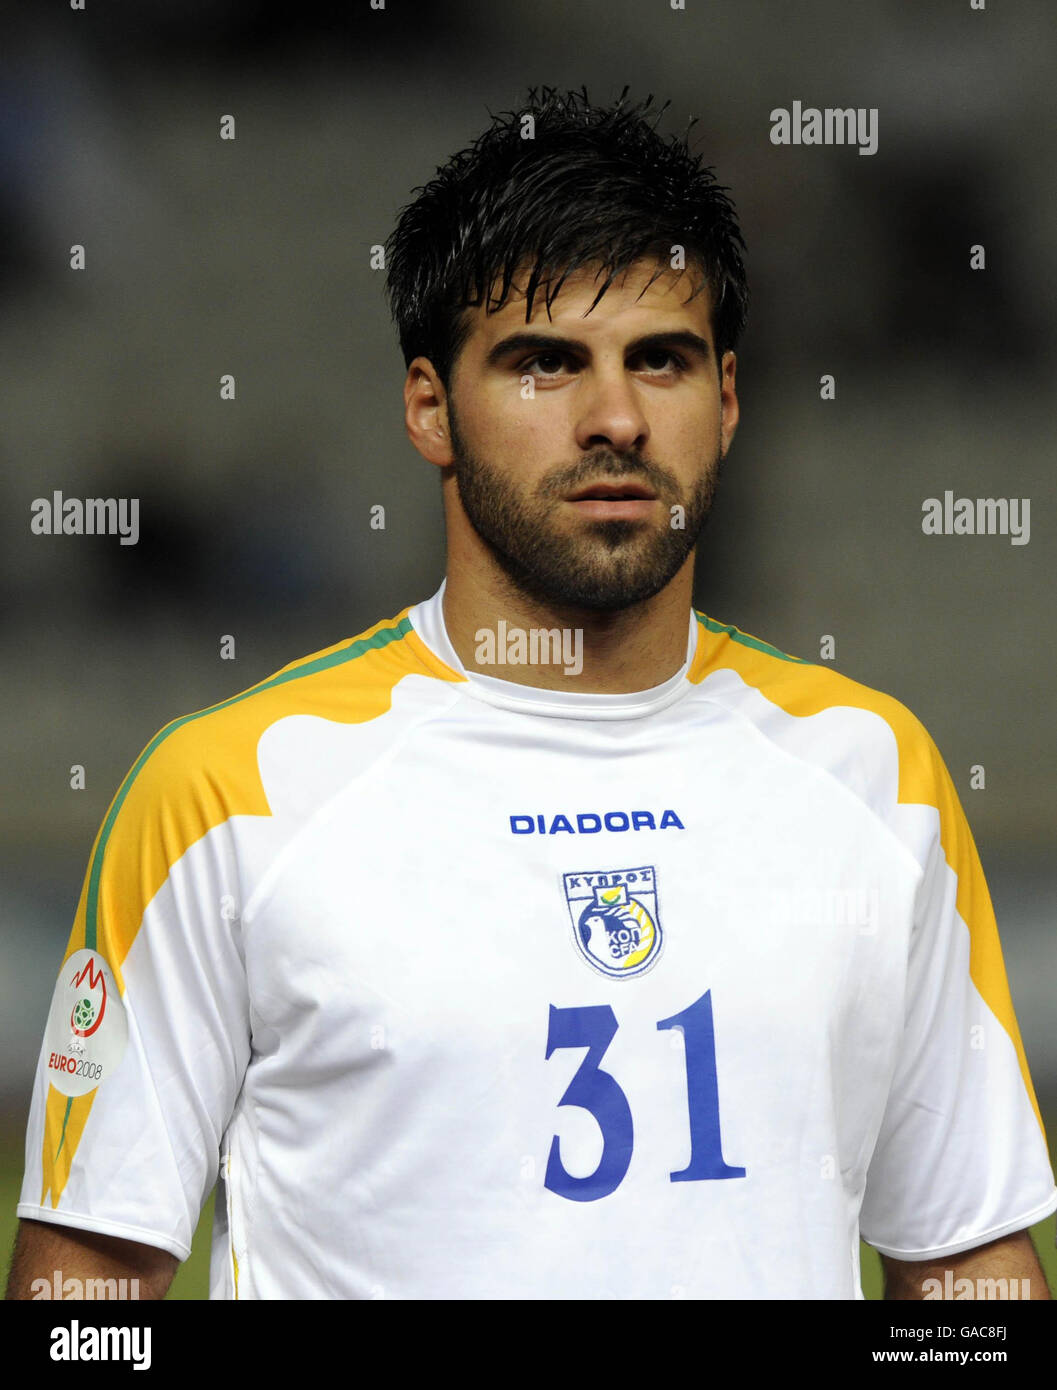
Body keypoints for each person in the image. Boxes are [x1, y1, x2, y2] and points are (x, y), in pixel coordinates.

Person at [7, 85, 1055, 1301]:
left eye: (658, 360)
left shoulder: (875, 775)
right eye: (544, 363)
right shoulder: (228, 794)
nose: (612, 418)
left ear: (725, 400)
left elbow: (967, 1266)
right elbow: (81, 1300)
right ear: (428, 407)